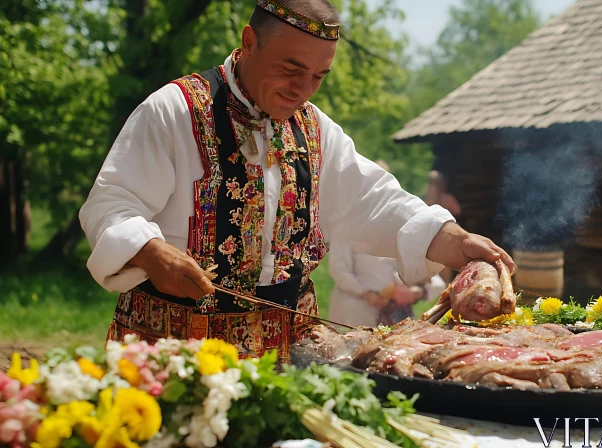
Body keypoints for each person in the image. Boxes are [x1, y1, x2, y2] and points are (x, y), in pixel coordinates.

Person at [78, 0, 515, 361]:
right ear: (249, 42)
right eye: (291, 69)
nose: (302, 89)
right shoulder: (174, 111)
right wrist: (152, 253)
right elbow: (111, 203)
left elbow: (375, 201)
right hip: (177, 348)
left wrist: (456, 240)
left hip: (287, 350)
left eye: (318, 77)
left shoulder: (314, 129)